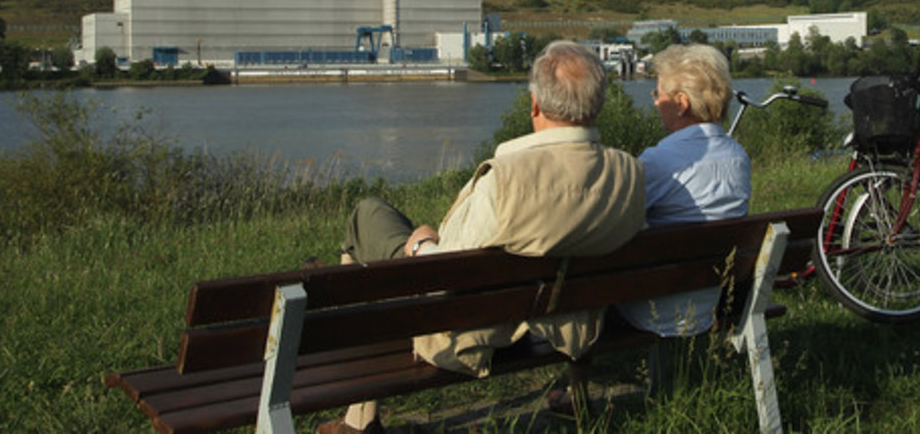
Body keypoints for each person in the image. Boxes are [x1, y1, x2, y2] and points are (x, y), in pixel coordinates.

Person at [318, 40, 646, 434]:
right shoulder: (630, 174)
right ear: (597, 104)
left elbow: (444, 277)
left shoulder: (505, 181)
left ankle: (359, 419)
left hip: (478, 332)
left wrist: (419, 244)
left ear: (535, 106)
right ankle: (575, 395)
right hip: (569, 326)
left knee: (367, 215)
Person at [616, 43, 752, 340]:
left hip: (654, 306)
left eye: (658, 94)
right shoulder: (738, 156)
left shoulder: (658, 161)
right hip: (711, 300)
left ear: (680, 103)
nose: (655, 103)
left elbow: (617, 224)